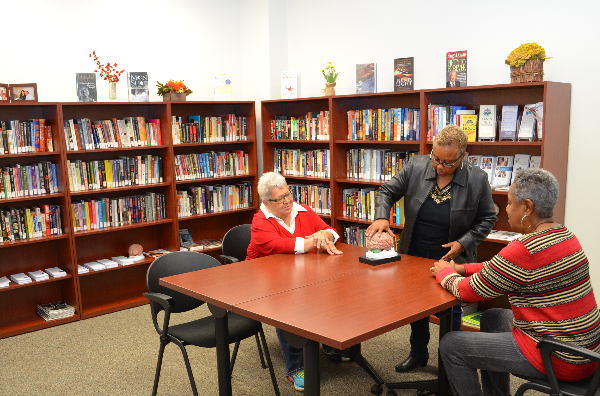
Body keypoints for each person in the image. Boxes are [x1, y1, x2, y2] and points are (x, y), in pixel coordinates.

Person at [432, 168, 600, 396]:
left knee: (452, 345)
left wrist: (444, 273)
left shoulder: (525, 249)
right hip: (586, 351)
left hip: (560, 357)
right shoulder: (565, 236)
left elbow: (467, 291)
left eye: (510, 203)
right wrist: (462, 268)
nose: (507, 210)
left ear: (527, 207)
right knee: (492, 318)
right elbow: (503, 270)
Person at [366, 125, 496, 373]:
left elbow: (487, 218)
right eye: (436, 158)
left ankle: (452, 361)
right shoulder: (415, 166)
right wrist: (382, 216)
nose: (439, 166)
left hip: (450, 256)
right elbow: (386, 191)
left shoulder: (477, 179)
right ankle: (418, 354)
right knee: (417, 306)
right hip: (415, 249)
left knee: (451, 308)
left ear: (462, 157)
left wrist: (464, 242)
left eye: (448, 162)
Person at [246, 172, 344, 392]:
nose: (287, 200)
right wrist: (315, 239)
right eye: (279, 198)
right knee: (287, 304)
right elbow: (285, 246)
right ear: (266, 203)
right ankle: (295, 367)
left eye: (288, 194)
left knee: (330, 290)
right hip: (263, 283)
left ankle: (329, 344)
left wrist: (324, 236)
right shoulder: (260, 221)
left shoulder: (303, 210)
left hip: (299, 274)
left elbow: (332, 232)